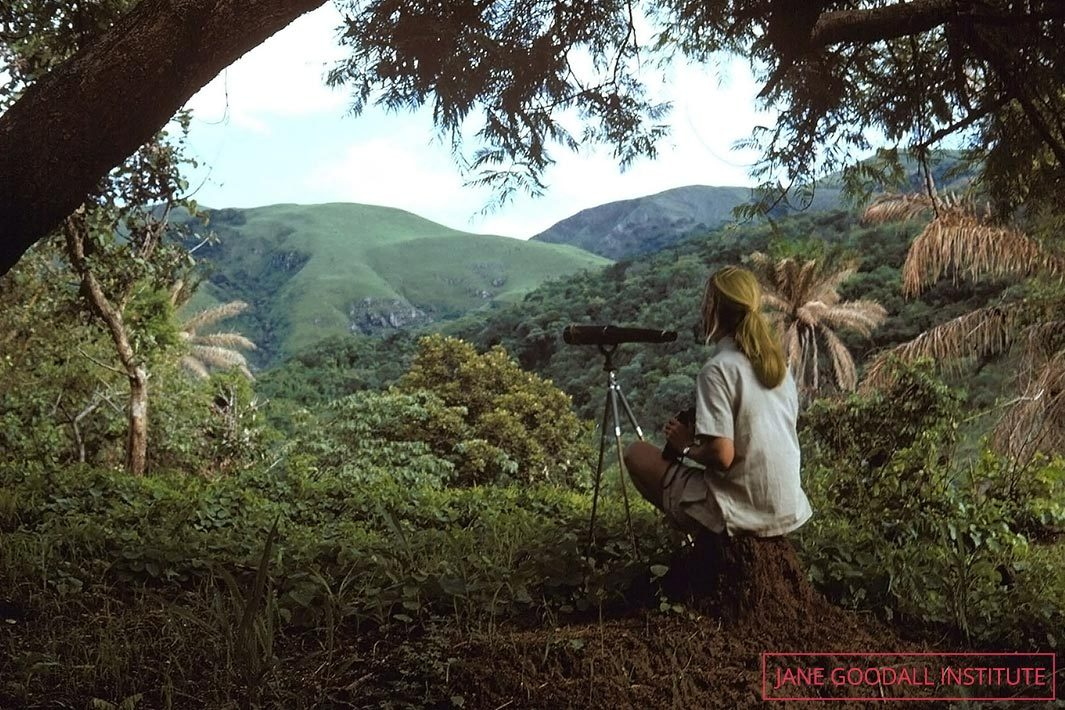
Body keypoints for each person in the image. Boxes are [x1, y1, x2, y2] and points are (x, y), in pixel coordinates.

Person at [623, 265, 812, 537]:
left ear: (712, 309)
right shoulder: (777, 367)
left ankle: (704, 535)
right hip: (786, 508)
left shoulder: (718, 369)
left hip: (742, 511)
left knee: (636, 453)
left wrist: (686, 446)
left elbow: (723, 456)